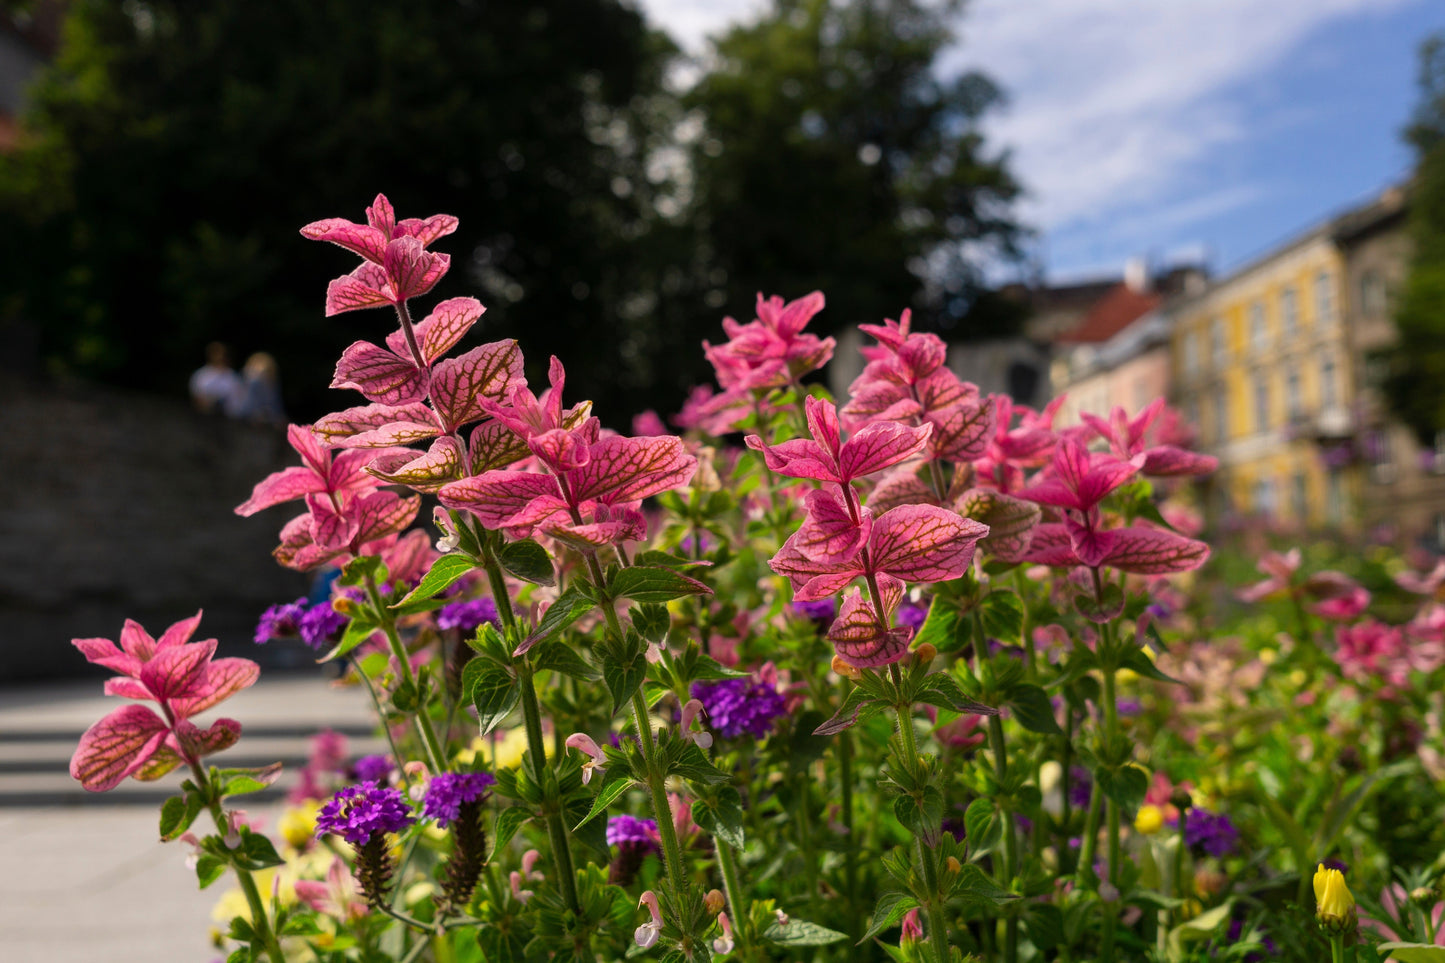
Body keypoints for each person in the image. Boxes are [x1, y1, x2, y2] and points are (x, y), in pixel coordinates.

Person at [230, 351, 287, 426]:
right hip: (246, 424)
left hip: (262, 425)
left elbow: (276, 409)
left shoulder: (272, 386)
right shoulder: (252, 383)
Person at [189, 342, 242, 415]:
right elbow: (196, 397)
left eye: (222, 354)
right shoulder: (201, 375)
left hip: (228, 417)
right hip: (204, 416)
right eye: (216, 353)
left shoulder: (233, 376)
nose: (219, 357)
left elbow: (238, 398)